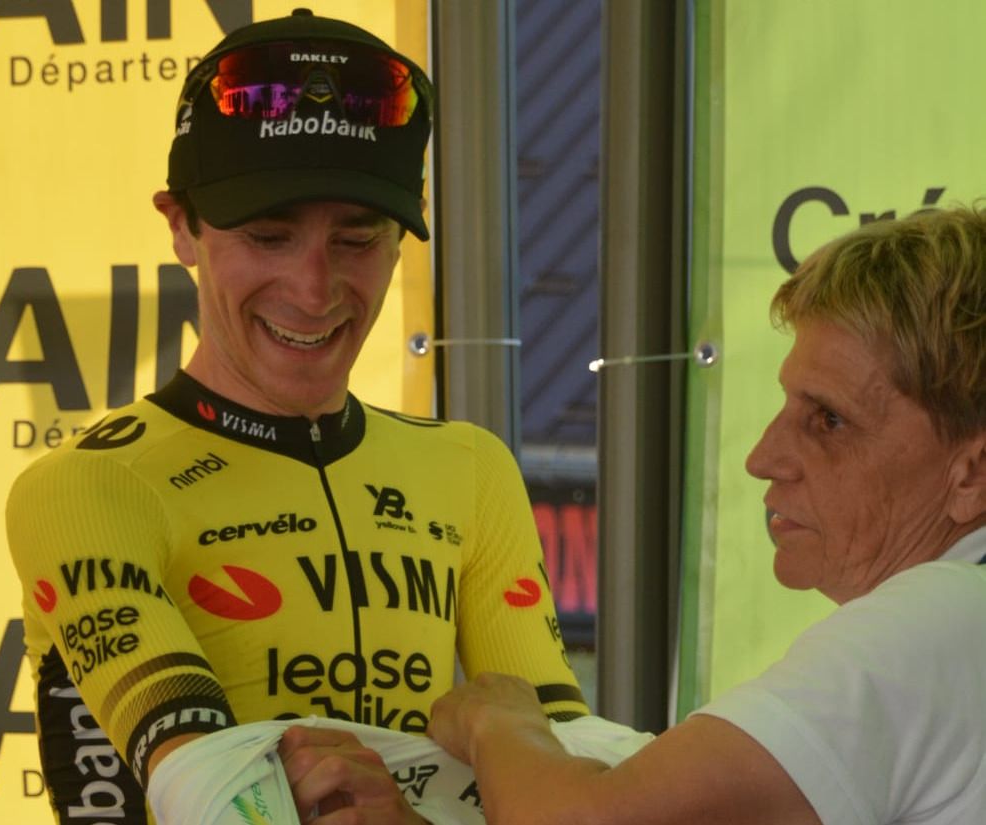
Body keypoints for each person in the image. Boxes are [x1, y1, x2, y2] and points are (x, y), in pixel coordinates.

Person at [5, 9, 588, 824]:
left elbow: (577, 782)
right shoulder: (90, 486)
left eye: (357, 240)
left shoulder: (469, 468)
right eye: (268, 237)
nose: (314, 291)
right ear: (180, 226)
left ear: (402, 235)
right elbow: (221, 800)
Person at [279, 203, 986, 824]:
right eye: (787, 406)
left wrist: (501, 721)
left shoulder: (938, 622)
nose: (763, 457)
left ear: (972, 473)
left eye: (827, 420)